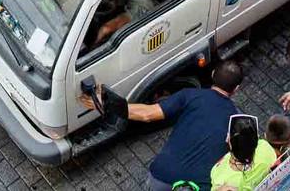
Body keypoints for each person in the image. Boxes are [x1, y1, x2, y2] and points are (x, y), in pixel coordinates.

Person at [79, 59, 243, 191]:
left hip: (163, 176)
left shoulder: (190, 95)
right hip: (198, 186)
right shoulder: (237, 120)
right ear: (236, 89)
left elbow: (146, 114)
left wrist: (105, 104)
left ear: (213, 74)